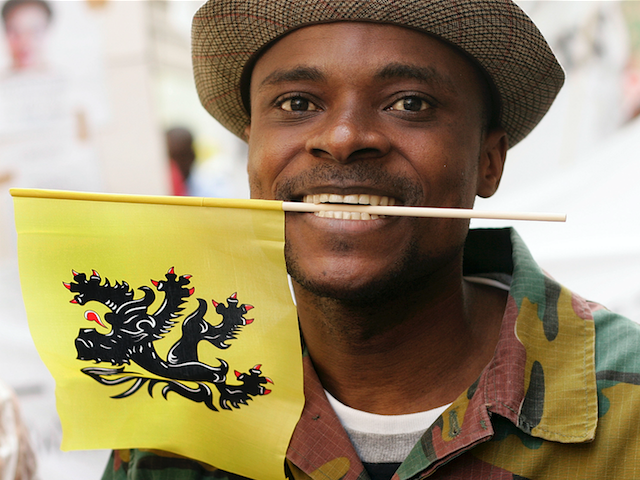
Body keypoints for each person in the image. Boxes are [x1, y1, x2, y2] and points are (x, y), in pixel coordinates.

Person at [102, 0, 640, 479]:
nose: (342, 138)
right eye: (296, 103)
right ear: (251, 152)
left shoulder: (629, 408)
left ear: (488, 162)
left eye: (410, 104)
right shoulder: (175, 405)